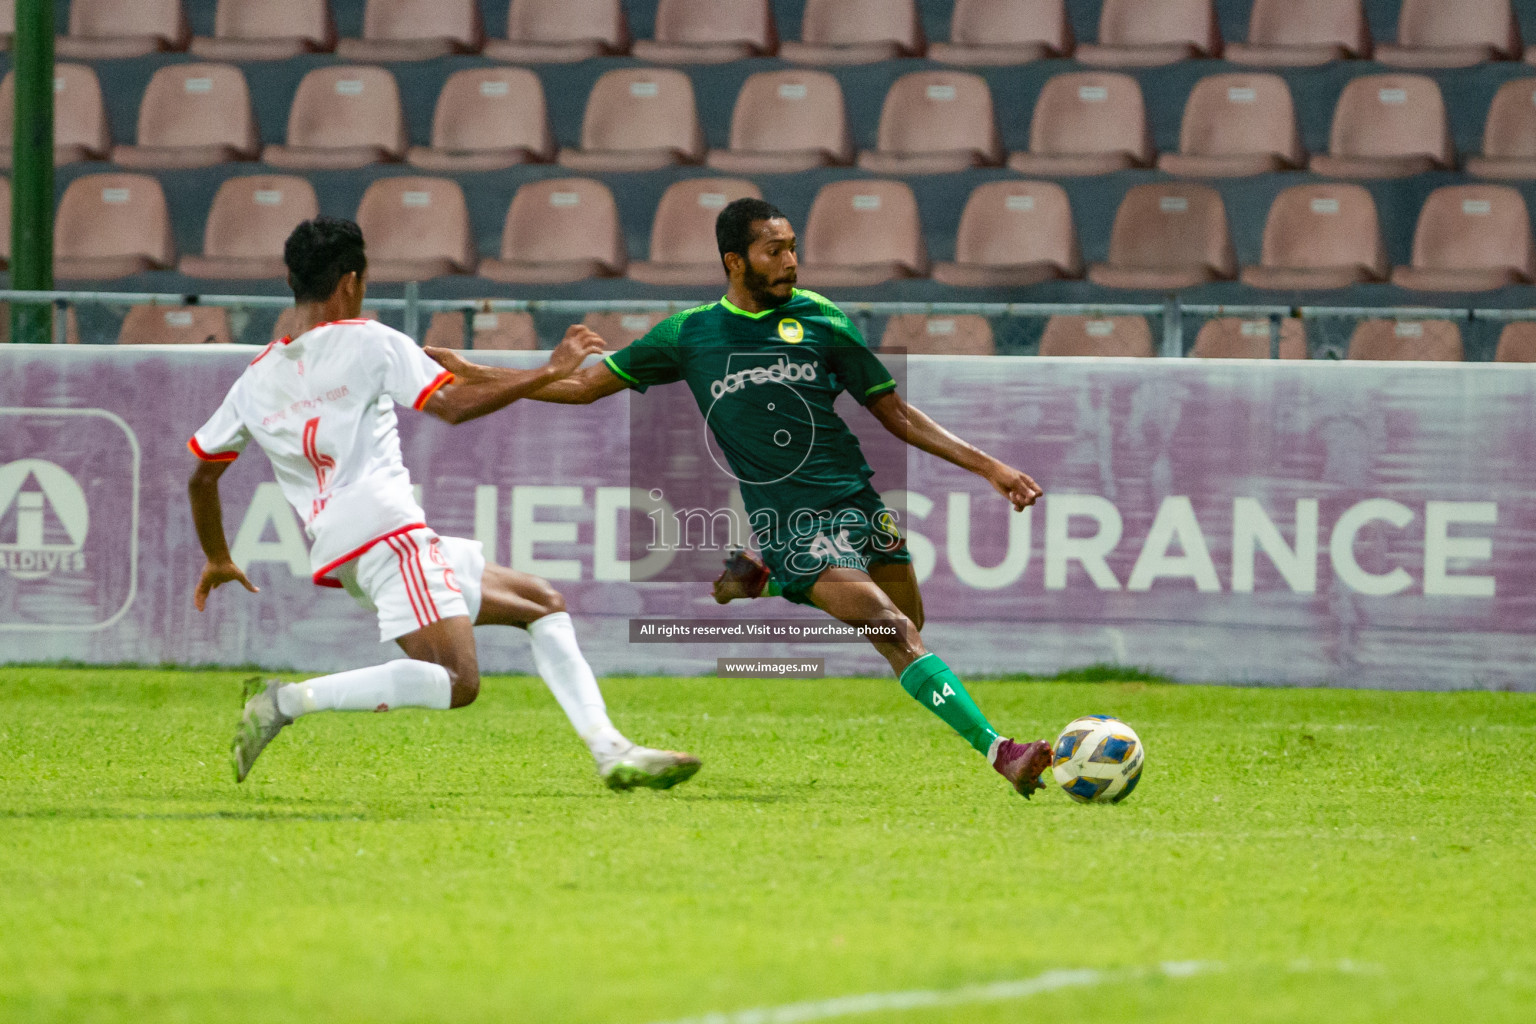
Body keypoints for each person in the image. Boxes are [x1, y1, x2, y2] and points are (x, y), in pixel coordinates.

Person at [425, 198, 1053, 798]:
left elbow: (894, 412)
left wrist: (989, 466)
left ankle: (765, 581)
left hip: (857, 503)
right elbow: (581, 388)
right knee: (891, 630)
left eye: (792, 249)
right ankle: (1003, 753)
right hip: (787, 522)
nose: (790, 262)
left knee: (910, 621)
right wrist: (471, 370)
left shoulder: (823, 320)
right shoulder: (689, 334)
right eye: (774, 250)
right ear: (735, 260)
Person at [187, 216, 701, 791]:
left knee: (542, 603)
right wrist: (548, 372)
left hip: (354, 545)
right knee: (457, 681)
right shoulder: (372, 340)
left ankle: (612, 750)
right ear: (352, 281)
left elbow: (202, 480)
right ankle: (283, 701)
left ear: (290, 278)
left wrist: (217, 555)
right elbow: (453, 408)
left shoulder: (255, 379)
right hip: (389, 536)